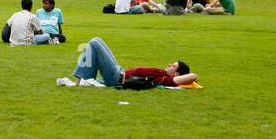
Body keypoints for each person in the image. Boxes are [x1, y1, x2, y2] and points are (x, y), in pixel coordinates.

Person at [59, 37, 199, 88]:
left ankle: (79, 81)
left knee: (94, 42)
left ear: (177, 73)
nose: (169, 65)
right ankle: (86, 78)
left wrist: (172, 75)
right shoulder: (164, 75)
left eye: (173, 66)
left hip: (116, 78)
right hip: (120, 70)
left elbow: (193, 76)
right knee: (98, 40)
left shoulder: (168, 79)